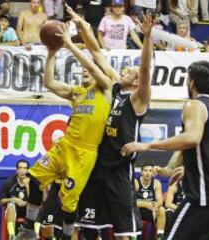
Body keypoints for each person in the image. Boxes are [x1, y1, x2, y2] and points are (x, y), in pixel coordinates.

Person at [15, 6, 116, 238]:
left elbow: (93, 65)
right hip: (66, 145)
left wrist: (70, 45)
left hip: (85, 153)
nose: (85, 71)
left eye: (88, 70)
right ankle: (29, 229)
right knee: (32, 178)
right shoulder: (77, 92)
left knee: (68, 202)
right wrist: (51, 53)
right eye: (83, 70)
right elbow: (50, 83)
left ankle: (69, 236)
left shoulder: (106, 88)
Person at [65, 5, 153, 239]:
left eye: (130, 72)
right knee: (90, 228)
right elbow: (96, 53)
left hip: (119, 169)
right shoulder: (114, 88)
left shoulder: (138, 99)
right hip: (97, 166)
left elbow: (144, 69)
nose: (124, 71)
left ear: (136, 82)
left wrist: (147, 37)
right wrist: (81, 28)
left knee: (124, 233)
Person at [121, 60, 209, 240]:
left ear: (191, 82)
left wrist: (148, 145)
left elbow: (191, 138)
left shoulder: (195, 105)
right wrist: (188, 168)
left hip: (205, 195)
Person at [0, 160, 30, 240]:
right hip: (13, 211)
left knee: (36, 207)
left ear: (28, 171)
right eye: (20, 168)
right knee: (10, 204)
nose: (22, 171)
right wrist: (13, 199)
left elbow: (36, 200)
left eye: (25, 168)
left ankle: (35, 234)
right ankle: (12, 236)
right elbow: (0, 201)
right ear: (17, 170)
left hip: (28, 210)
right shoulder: (9, 183)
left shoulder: (32, 182)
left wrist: (27, 186)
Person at [135, 164, 166, 240]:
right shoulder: (136, 182)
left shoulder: (156, 183)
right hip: (138, 211)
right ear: (141, 172)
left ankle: (159, 237)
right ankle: (133, 237)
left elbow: (160, 201)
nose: (148, 173)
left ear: (153, 173)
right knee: (131, 210)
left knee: (161, 210)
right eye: (145, 170)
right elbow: (131, 201)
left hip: (151, 210)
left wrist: (156, 204)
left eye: (150, 171)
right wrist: (146, 204)